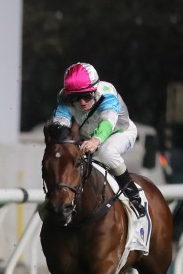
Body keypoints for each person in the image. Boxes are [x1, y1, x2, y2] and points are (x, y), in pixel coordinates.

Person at [52, 62, 145, 217]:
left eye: (86, 96)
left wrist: (96, 140)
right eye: (75, 97)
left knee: (106, 152)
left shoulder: (107, 93)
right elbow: (60, 121)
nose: (82, 102)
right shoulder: (64, 96)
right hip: (88, 137)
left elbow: (107, 122)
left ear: (95, 90)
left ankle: (133, 195)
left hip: (119, 132)